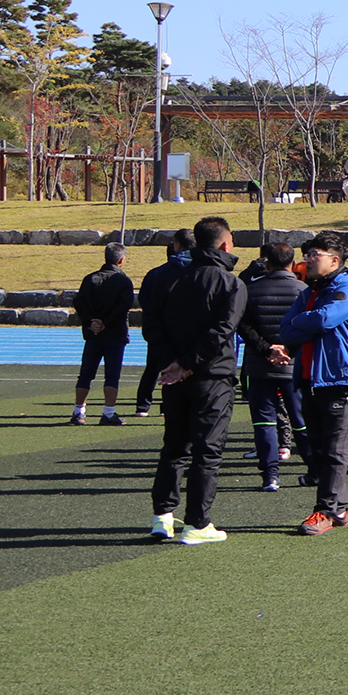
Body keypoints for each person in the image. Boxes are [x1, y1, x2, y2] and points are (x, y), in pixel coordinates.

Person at [146, 218, 248, 545]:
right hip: (212, 378)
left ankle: (163, 516)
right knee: (207, 451)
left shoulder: (169, 280)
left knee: (174, 447)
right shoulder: (231, 284)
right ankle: (197, 522)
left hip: (176, 377)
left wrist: (172, 365)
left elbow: (152, 327)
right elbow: (222, 331)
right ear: (224, 245)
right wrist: (187, 364)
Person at [281, 233, 348, 534]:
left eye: (314, 254)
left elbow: (323, 321)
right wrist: (304, 322)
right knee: (319, 452)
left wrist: (302, 322)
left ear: (334, 260)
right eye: (306, 254)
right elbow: (286, 329)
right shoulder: (309, 293)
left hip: (342, 381)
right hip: (311, 380)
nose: (307, 258)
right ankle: (340, 507)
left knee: (334, 451)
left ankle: (325, 512)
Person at [236, 243, 305, 492]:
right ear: (293, 263)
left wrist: (267, 349)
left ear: (266, 263)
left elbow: (242, 325)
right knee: (301, 419)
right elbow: (307, 326)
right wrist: (288, 350)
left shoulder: (251, 289)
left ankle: (270, 475)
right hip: (293, 365)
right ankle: (313, 468)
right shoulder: (303, 290)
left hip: (258, 365)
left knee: (264, 422)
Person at [71, 244, 136, 424]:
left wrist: (91, 321)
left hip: (93, 334)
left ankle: (78, 411)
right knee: (112, 374)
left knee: (86, 373)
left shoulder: (90, 279)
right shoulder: (123, 281)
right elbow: (123, 307)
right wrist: (105, 322)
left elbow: (79, 302)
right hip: (114, 333)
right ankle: (108, 412)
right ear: (121, 260)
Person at [131, 229, 193, 417]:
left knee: (153, 368)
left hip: (158, 331)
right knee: (185, 368)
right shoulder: (197, 272)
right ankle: (167, 407)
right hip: (185, 330)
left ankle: (143, 405)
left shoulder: (155, 274)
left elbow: (145, 301)